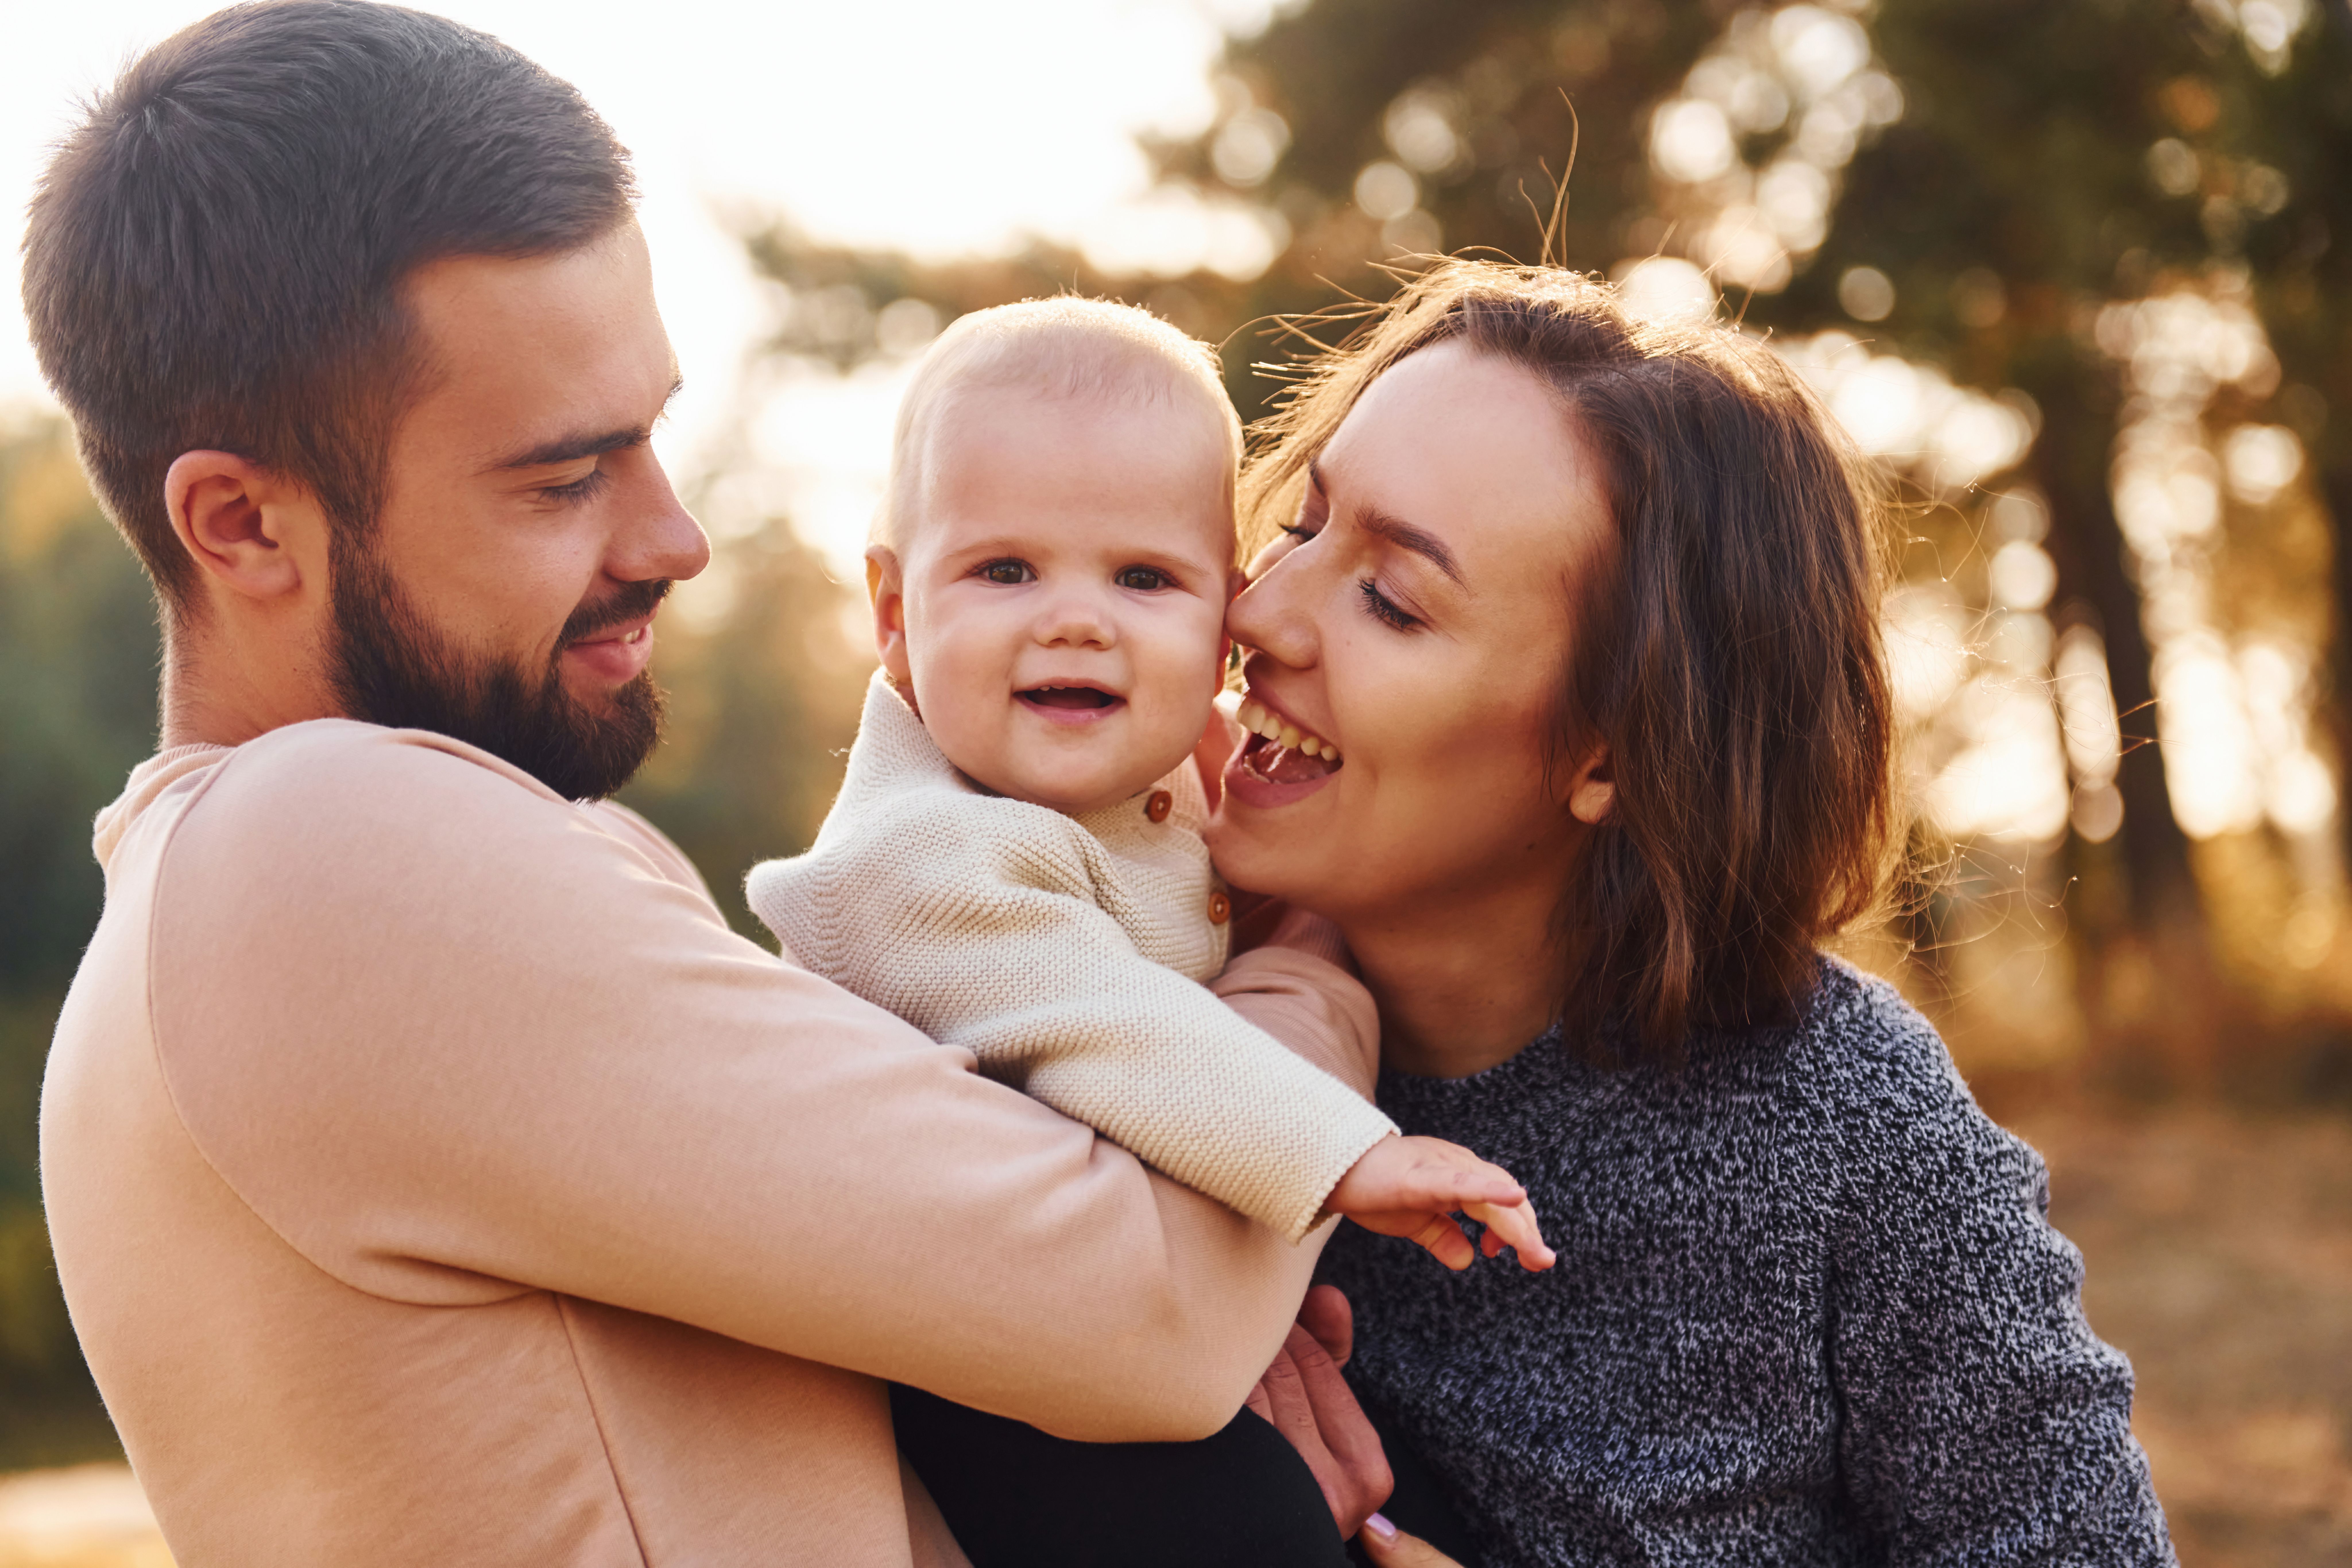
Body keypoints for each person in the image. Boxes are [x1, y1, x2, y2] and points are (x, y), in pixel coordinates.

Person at [26, 5, 1406, 1562]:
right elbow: (1142, 1307)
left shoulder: (271, 902)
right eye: (563, 477)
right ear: (241, 526)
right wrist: (1310, 968)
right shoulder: (317, 850)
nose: (674, 537)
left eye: (652, 440)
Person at [1200, 260, 2178, 1566]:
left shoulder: (1847, 1134)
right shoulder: (1126, 1007)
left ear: (1609, 750)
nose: (1257, 611)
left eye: (1389, 597)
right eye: (1302, 525)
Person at [746, 296, 1550, 1567]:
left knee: (1403, 1489)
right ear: (895, 616)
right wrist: (1346, 1154)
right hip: (964, 1372)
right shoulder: (918, 854)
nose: (1077, 619)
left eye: (1143, 578)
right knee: (1245, 1524)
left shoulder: (1157, 796)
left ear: (1219, 616)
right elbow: (1109, 1026)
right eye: (1004, 570)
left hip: (1118, 1324)